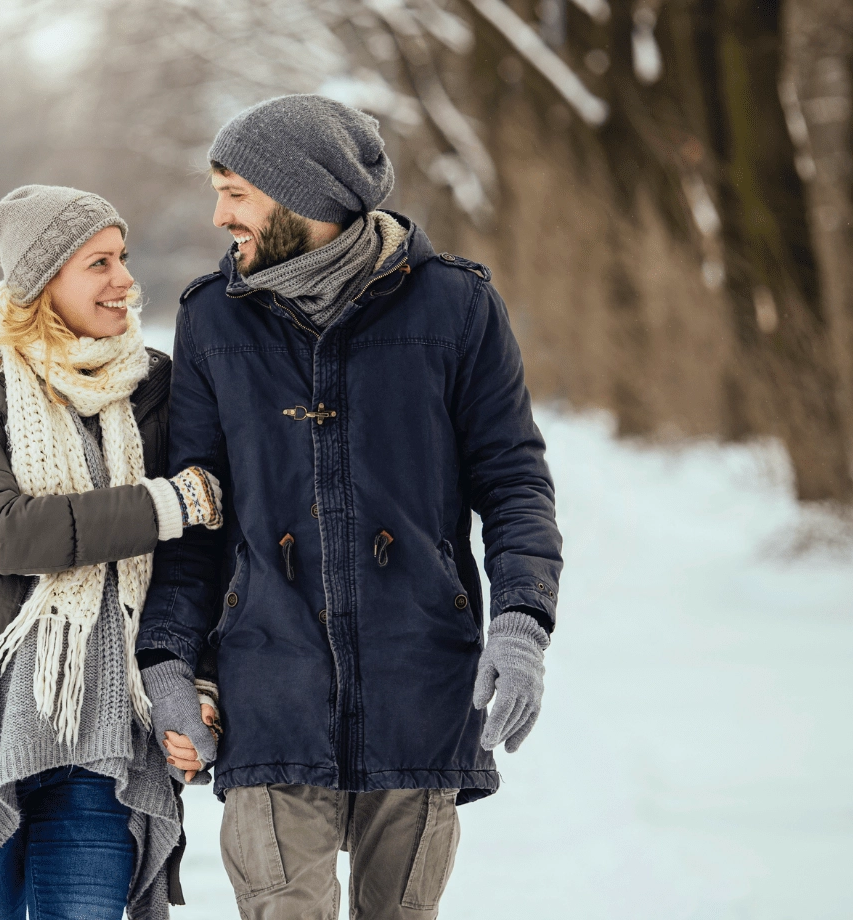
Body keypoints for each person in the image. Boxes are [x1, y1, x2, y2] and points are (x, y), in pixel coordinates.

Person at [136, 95, 565, 919]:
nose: (219, 213)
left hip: (421, 675)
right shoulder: (212, 318)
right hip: (267, 678)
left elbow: (513, 483)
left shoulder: (457, 308)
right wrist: (168, 663)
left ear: (303, 194)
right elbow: (193, 517)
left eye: (235, 191)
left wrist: (521, 624)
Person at [0, 185, 225, 920]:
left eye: (123, 258)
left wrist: (200, 685)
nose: (125, 280)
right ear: (43, 278)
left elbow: (197, 564)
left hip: (107, 738)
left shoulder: (153, 386)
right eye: (99, 263)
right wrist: (167, 504)